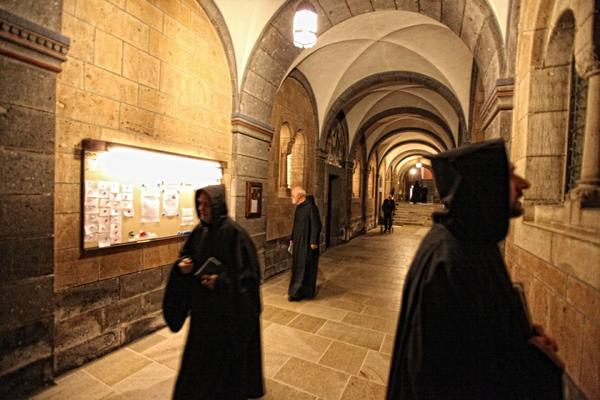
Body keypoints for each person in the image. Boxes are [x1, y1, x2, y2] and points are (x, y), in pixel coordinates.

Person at [387, 140, 564, 400]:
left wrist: (525, 338)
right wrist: (531, 363)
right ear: (485, 183)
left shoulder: (472, 241)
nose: (523, 184)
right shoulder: (449, 260)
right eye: (510, 174)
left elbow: (480, 332)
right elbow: (453, 375)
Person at [163, 184, 264, 400]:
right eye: (199, 204)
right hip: (203, 316)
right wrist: (183, 266)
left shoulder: (236, 234)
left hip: (226, 319)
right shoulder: (199, 232)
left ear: (218, 205)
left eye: (207, 205)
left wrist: (221, 281)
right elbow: (186, 256)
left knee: (223, 377)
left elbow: (249, 279)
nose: (202, 209)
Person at [288, 186, 322, 301]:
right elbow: (296, 225)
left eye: (293, 195)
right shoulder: (299, 207)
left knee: (304, 268)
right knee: (297, 267)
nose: (292, 197)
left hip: (307, 244)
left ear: (299, 196)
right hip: (298, 243)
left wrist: (313, 241)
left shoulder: (310, 207)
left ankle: (299, 293)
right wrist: (292, 238)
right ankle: (296, 292)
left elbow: (316, 225)